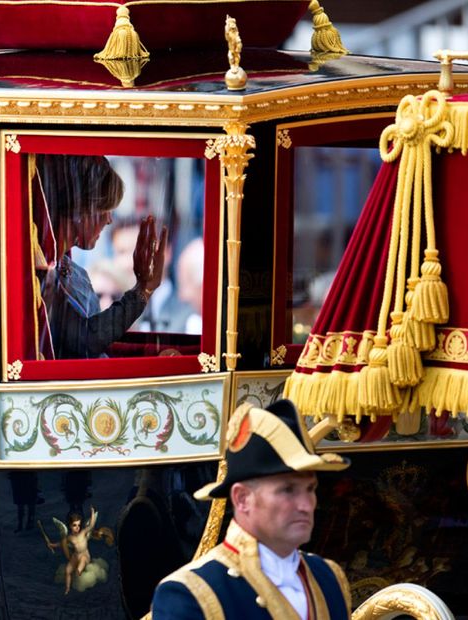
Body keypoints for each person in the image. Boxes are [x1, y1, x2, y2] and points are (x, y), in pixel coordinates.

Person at [150, 400, 352, 619]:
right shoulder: (189, 593)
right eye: (288, 490)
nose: (306, 505)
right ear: (242, 498)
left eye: (310, 489)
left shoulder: (329, 578)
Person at [34, 154, 167, 359]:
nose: (109, 220)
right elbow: (87, 339)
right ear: (80, 211)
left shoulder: (73, 271)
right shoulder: (43, 275)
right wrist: (143, 289)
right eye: (105, 209)